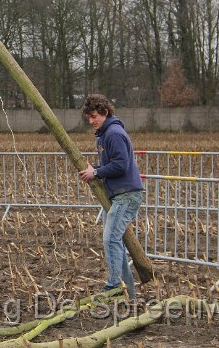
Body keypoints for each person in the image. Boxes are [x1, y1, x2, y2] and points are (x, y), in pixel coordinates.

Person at [78, 94, 143, 298]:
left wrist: (96, 172)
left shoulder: (113, 133)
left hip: (126, 194)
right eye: (89, 117)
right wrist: (95, 169)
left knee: (111, 239)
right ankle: (128, 294)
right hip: (116, 195)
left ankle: (114, 284)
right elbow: (112, 164)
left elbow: (121, 165)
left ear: (105, 113)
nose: (91, 121)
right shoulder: (105, 134)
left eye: (94, 116)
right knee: (115, 242)